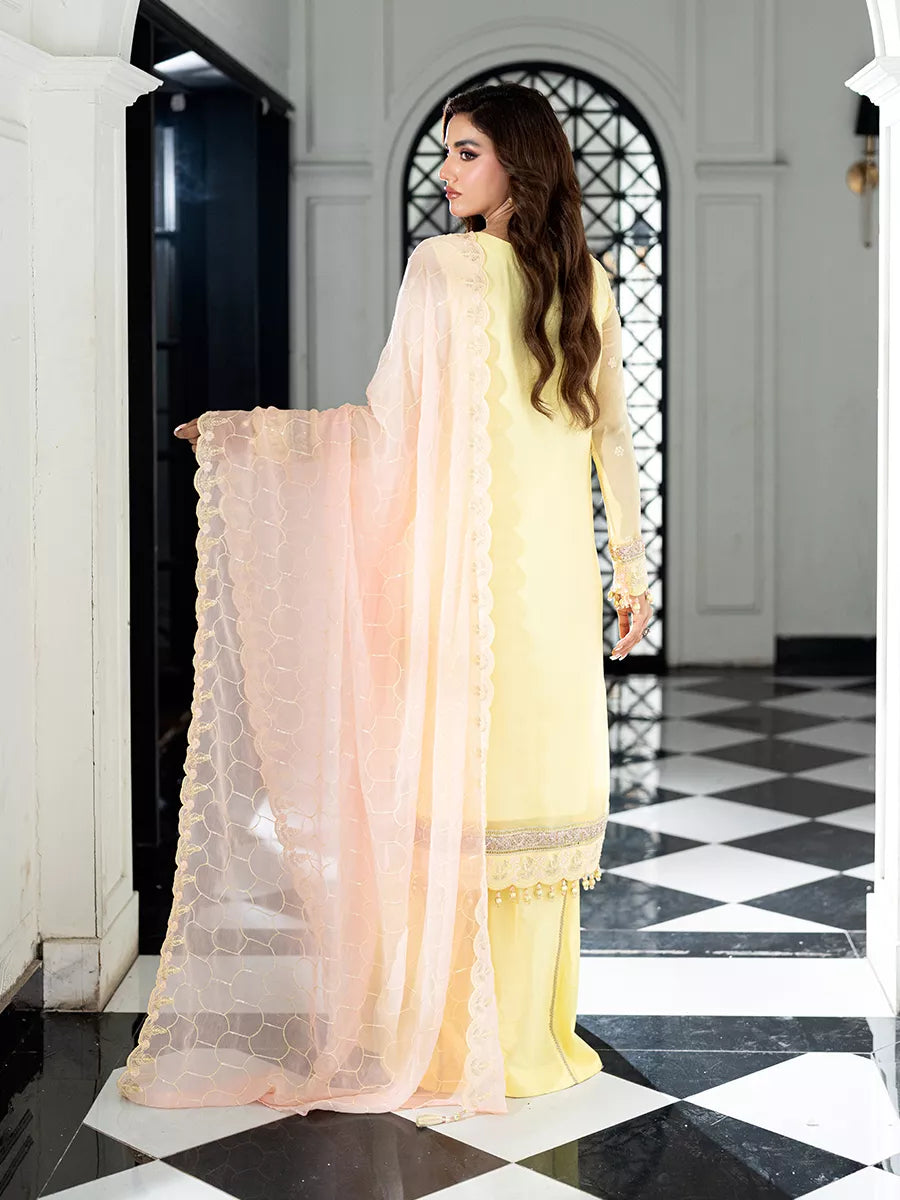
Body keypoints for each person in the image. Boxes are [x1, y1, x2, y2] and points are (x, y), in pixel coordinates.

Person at [118, 82, 651, 1126]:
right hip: (551, 593)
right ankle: (531, 1041)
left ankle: (460, 1041)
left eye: (466, 153)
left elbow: (383, 429)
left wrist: (253, 439)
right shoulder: (577, 277)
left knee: (470, 794)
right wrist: (629, 571)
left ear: (520, 164)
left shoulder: (445, 269)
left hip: (466, 592)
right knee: (525, 791)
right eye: (447, 152)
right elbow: (613, 438)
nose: (447, 174)